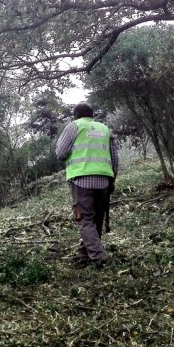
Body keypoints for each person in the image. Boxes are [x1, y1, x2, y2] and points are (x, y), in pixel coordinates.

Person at [55, 103, 119, 265]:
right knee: (97, 219)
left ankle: (99, 257)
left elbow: (60, 153)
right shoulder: (104, 129)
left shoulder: (73, 127)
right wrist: (112, 180)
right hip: (104, 180)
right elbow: (114, 158)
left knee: (85, 219)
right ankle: (85, 252)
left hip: (81, 179)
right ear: (92, 115)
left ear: (76, 114)